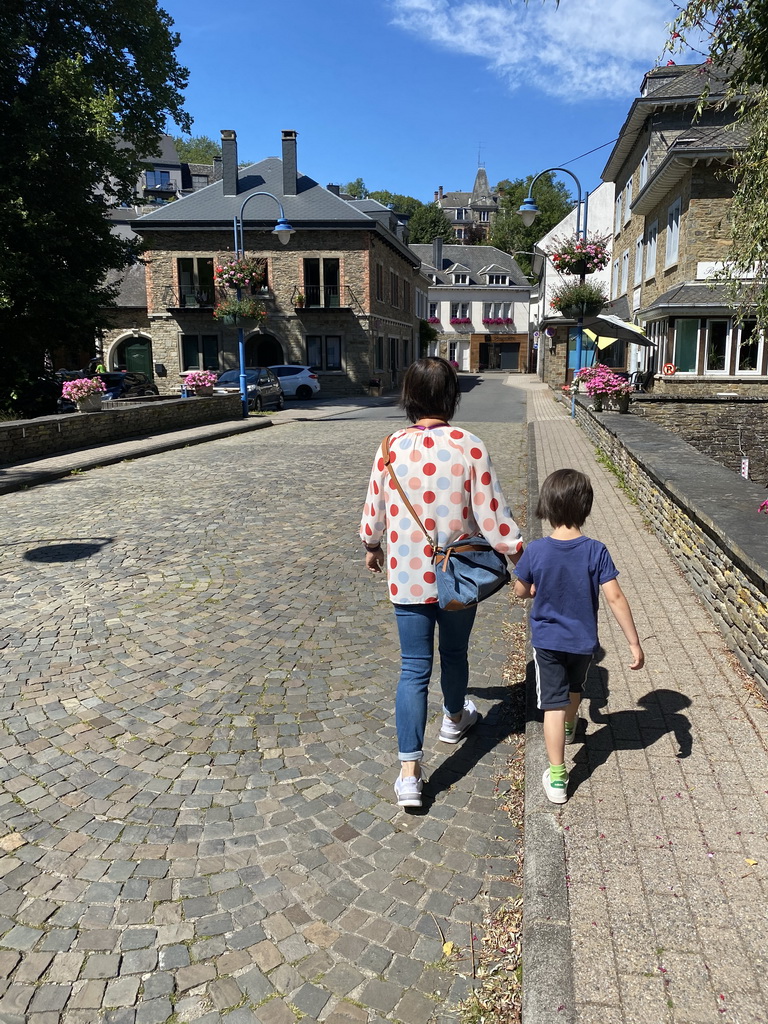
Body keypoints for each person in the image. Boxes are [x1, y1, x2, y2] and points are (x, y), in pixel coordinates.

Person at [359, 357, 523, 809]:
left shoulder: (390, 447)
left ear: (408, 396)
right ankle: (453, 719)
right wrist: (518, 556)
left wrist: (372, 547)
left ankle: (409, 775)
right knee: (454, 653)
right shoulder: (469, 445)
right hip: (458, 575)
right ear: (452, 395)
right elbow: (493, 515)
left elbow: (375, 508)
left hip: (408, 574)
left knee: (413, 668)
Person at [513, 468, 644, 804]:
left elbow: (520, 590)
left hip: (547, 643)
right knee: (574, 689)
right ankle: (570, 728)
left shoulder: (537, 551)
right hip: (584, 642)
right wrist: (633, 641)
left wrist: (531, 589)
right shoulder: (596, 550)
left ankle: (558, 777)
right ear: (586, 506)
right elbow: (615, 597)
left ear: (547, 506)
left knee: (551, 705)